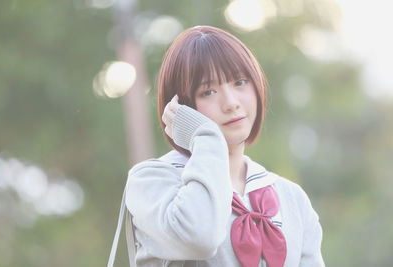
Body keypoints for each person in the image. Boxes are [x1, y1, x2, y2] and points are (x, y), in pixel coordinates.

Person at [109, 25, 324, 267]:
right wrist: (206, 137)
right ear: (180, 105)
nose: (231, 103)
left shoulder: (291, 197)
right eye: (208, 91)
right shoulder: (151, 182)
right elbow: (200, 238)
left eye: (240, 82)